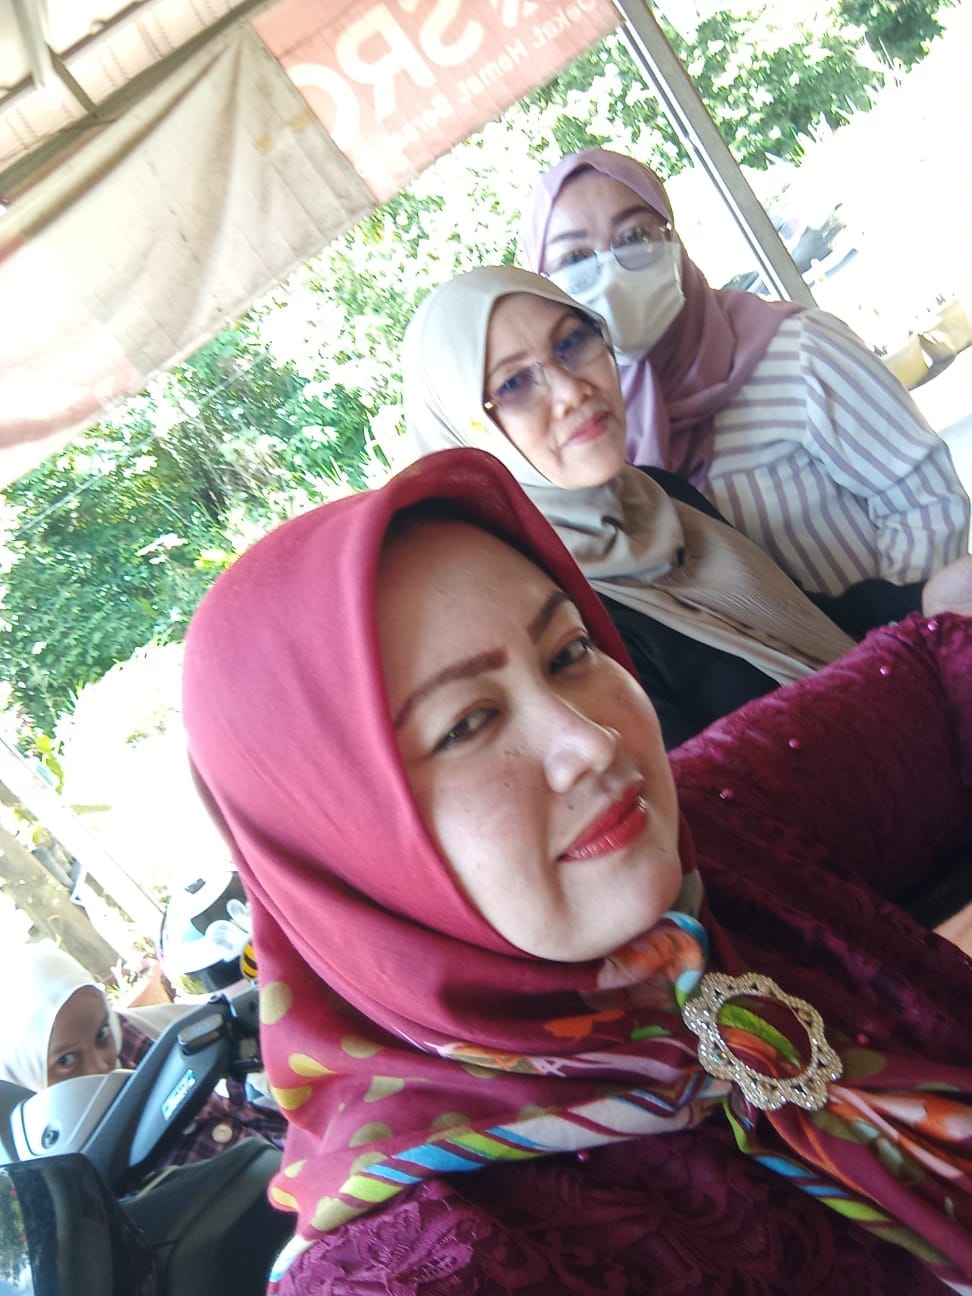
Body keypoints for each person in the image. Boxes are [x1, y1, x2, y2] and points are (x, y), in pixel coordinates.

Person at [181, 446, 972, 1294]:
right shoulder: (426, 1262)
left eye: (568, 653)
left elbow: (937, 668)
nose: (590, 743)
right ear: (344, 847)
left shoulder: (706, 840)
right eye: (468, 724)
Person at [402, 262, 972, 748]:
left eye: (572, 342)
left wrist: (924, 600)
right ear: (466, 431)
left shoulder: (658, 495)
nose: (572, 390)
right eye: (513, 385)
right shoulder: (550, 616)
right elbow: (705, 801)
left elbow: (806, 626)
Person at [519, 148, 970, 596]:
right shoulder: (580, 432)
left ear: (673, 240)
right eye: (575, 259)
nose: (610, 270)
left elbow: (926, 501)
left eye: (635, 235)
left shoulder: (800, 351)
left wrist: (894, 631)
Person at [0, 942, 286, 1164]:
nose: (100, 1066)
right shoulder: (56, 1167)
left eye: (101, 1035)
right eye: (66, 1060)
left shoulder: (138, 1040)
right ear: (23, 1072)